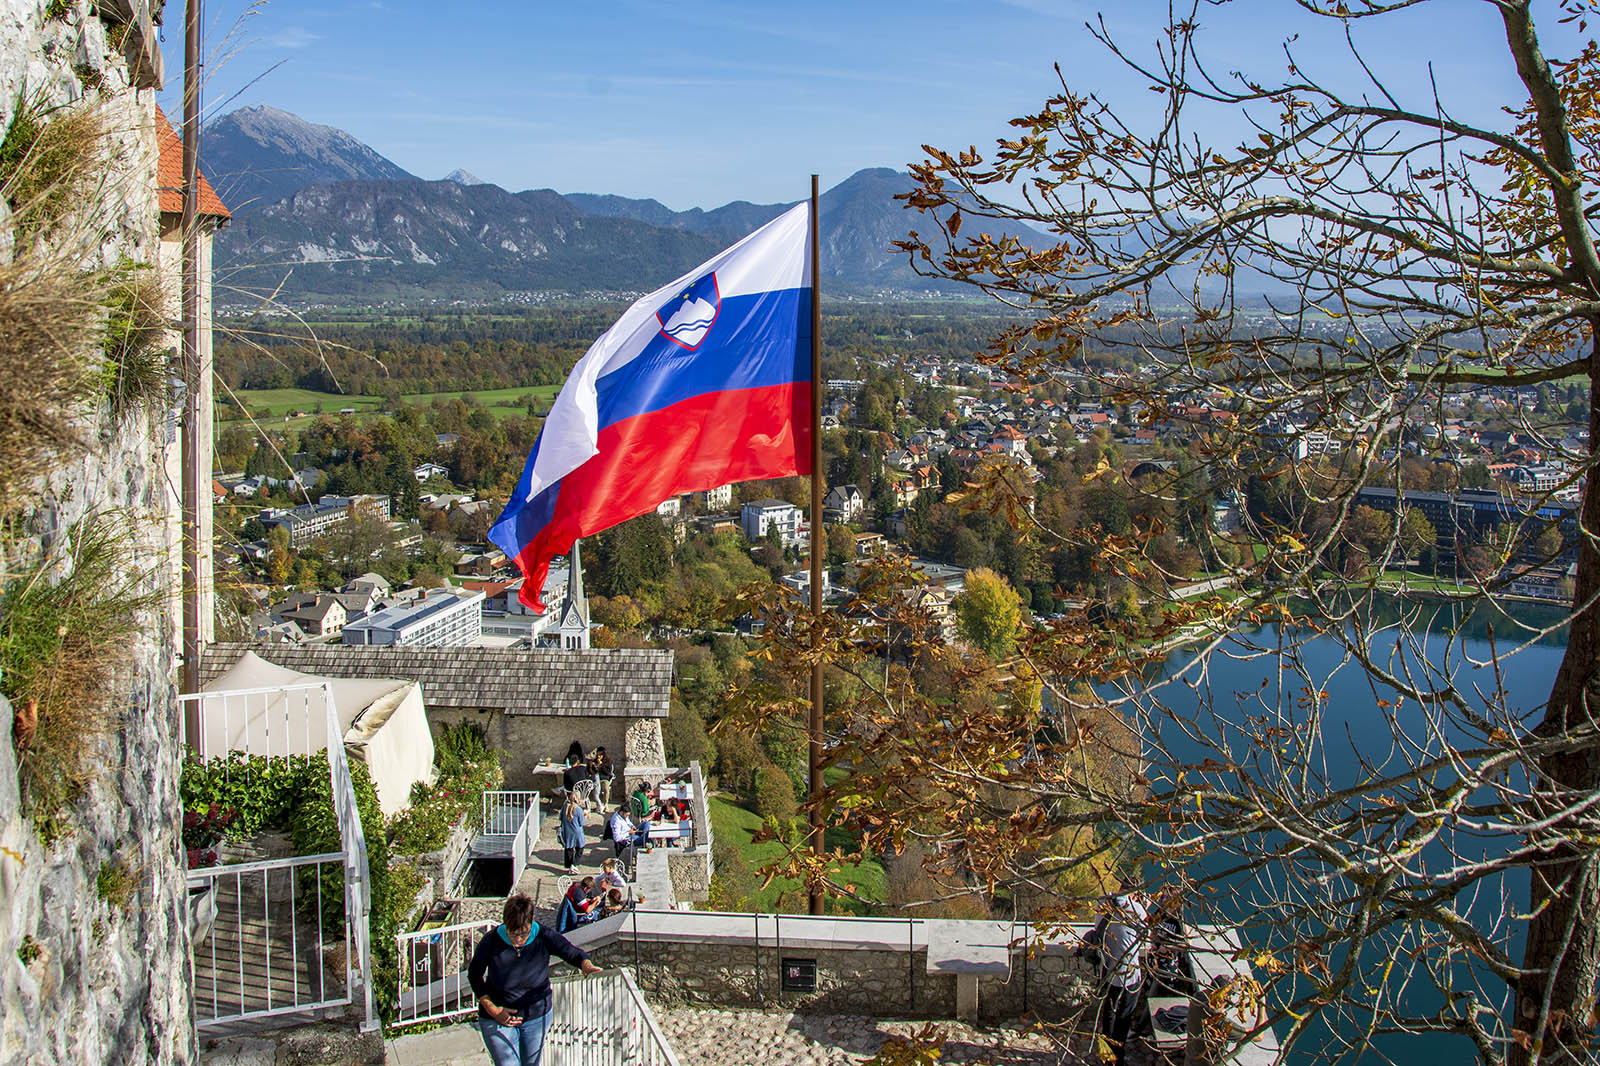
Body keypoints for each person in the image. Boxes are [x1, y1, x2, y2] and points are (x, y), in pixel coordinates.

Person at [468, 893, 600, 1066]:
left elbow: (572, 953)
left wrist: (587, 966)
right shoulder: (491, 941)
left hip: (536, 1016)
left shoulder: (543, 936)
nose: (518, 940)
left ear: (531, 922)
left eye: (523, 934)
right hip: (497, 1016)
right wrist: (492, 1009)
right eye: (513, 934)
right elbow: (474, 975)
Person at [1082, 894, 1149, 1066]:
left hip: (1108, 969)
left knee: (1108, 1012)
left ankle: (1106, 1051)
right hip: (1129, 973)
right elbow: (1144, 935)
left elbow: (1099, 928)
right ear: (1134, 893)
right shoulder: (1137, 910)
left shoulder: (1102, 906)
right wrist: (1144, 907)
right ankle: (1118, 1054)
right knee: (1124, 1014)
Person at [558, 794, 586, 872]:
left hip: (567, 831)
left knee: (569, 848)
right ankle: (574, 864)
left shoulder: (564, 807)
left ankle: (569, 864)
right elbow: (582, 822)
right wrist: (585, 815)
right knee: (580, 848)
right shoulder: (578, 809)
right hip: (577, 832)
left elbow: (561, 818)